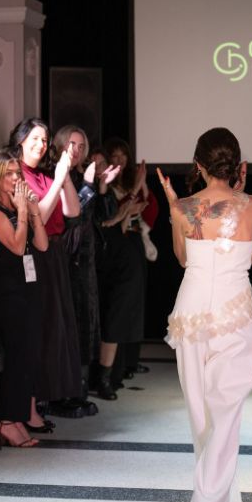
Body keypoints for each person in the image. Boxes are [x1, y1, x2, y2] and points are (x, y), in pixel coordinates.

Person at [158, 127, 252, 502]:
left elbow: (184, 258)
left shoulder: (182, 207)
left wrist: (174, 207)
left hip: (191, 314)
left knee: (203, 418)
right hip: (234, 314)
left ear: (198, 165)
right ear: (237, 165)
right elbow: (251, 256)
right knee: (225, 417)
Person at [9, 119, 82, 421]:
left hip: (53, 254)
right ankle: (31, 404)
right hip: (33, 254)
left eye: (44, 140)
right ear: (21, 141)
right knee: (40, 328)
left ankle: (45, 398)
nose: (41, 145)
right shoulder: (15, 174)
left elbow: (73, 211)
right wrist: (59, 177)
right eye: (35, 139)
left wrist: (64, 177)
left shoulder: (42, 174)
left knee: (56, 326)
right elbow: (38, 214)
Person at [0, 150, 47, 447]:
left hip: (28, 288)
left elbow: (41, 245)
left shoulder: (15, 206)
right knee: (17, 356)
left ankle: (16, 417)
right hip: (8, 293)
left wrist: (32, 210)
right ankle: (6, 420)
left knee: (29, 355)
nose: (15, 178)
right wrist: (20, 211)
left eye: (16, 173)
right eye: (8, 173)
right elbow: (17, 248)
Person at [52, 126, 118, 414]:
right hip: (67, 260)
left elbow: (105, 216)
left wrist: (101, 187)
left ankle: (78, 387)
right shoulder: (57, 175)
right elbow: (72, 218)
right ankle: (64, 392)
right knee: (71, 322)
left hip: (88, 260)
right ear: (60, 145)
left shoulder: (82, 176)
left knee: (87, 322)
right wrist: (90, 185)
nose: (77, 150)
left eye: (81, 145)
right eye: (72, 144)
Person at [96, 138, 158, 399]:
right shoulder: (102, 188)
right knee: (115, 312)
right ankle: (105, 376)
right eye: (114, 156)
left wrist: (140, 187)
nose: (118, 160)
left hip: (131, 246)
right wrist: (132, 198)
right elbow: (112, 218)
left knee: (129, 309)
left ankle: (121, 368)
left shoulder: (127, 182)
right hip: (111, 252)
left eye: (123, 155)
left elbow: (149, 209)